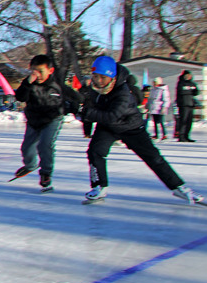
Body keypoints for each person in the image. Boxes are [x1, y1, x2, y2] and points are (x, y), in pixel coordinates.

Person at [81, 56, 202, 204]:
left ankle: (179, 187)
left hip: (130, 127)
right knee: (95, 151)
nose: (98, 81)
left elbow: (112, 115)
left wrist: (87, 114)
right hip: (108, 126)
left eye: (103, 77)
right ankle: (99, 186)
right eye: (95, 76)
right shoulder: (95, 89)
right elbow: (94, 108)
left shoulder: (123, 92)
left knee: (153, 157)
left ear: (112, 76)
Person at [12, 55, 80, 192]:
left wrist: (74, 106)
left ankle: (46, 173)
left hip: (52, 119)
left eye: (40, 71)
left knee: (45, 145)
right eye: (33, 71)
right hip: (33, 120)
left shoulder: (58, 85)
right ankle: (30, 165)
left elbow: (77, 98)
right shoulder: (29, 84)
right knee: (26, 148)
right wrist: (27, 83)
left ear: (50, 70)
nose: (37, 75)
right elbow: (20, 97)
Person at [176, 70, 199, 142]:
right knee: (183, 120)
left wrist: (193, 90)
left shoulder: (192, 83)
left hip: (191, 104)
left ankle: (187, 135)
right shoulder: (181, 83)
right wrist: (190, 91)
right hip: (183, 104)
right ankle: (181, 136)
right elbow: (181, 92)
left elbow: (196, 92)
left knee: (189, 121)